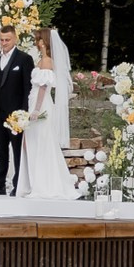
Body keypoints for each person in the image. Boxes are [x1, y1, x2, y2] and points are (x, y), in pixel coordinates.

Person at [21, 26, 78, 199]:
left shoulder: (47, 61)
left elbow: (43, 87)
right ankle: (36, 183)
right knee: (34, 143)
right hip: (34, 102)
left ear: (43, 41)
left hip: (41, 105)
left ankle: (45, 185)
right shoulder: (43, 59)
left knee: (42, 144)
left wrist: (37, 110)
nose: (35, 42)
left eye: (38, 39)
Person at [0, 25, 36, 196]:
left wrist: (24, 113)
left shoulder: (24, 59)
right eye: (2, 40)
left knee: (17, 149)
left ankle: (18, 184)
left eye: (7, 40)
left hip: (16, 114)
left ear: (15, 39)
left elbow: (28, 88)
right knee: (0, 149)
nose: (4, 43)